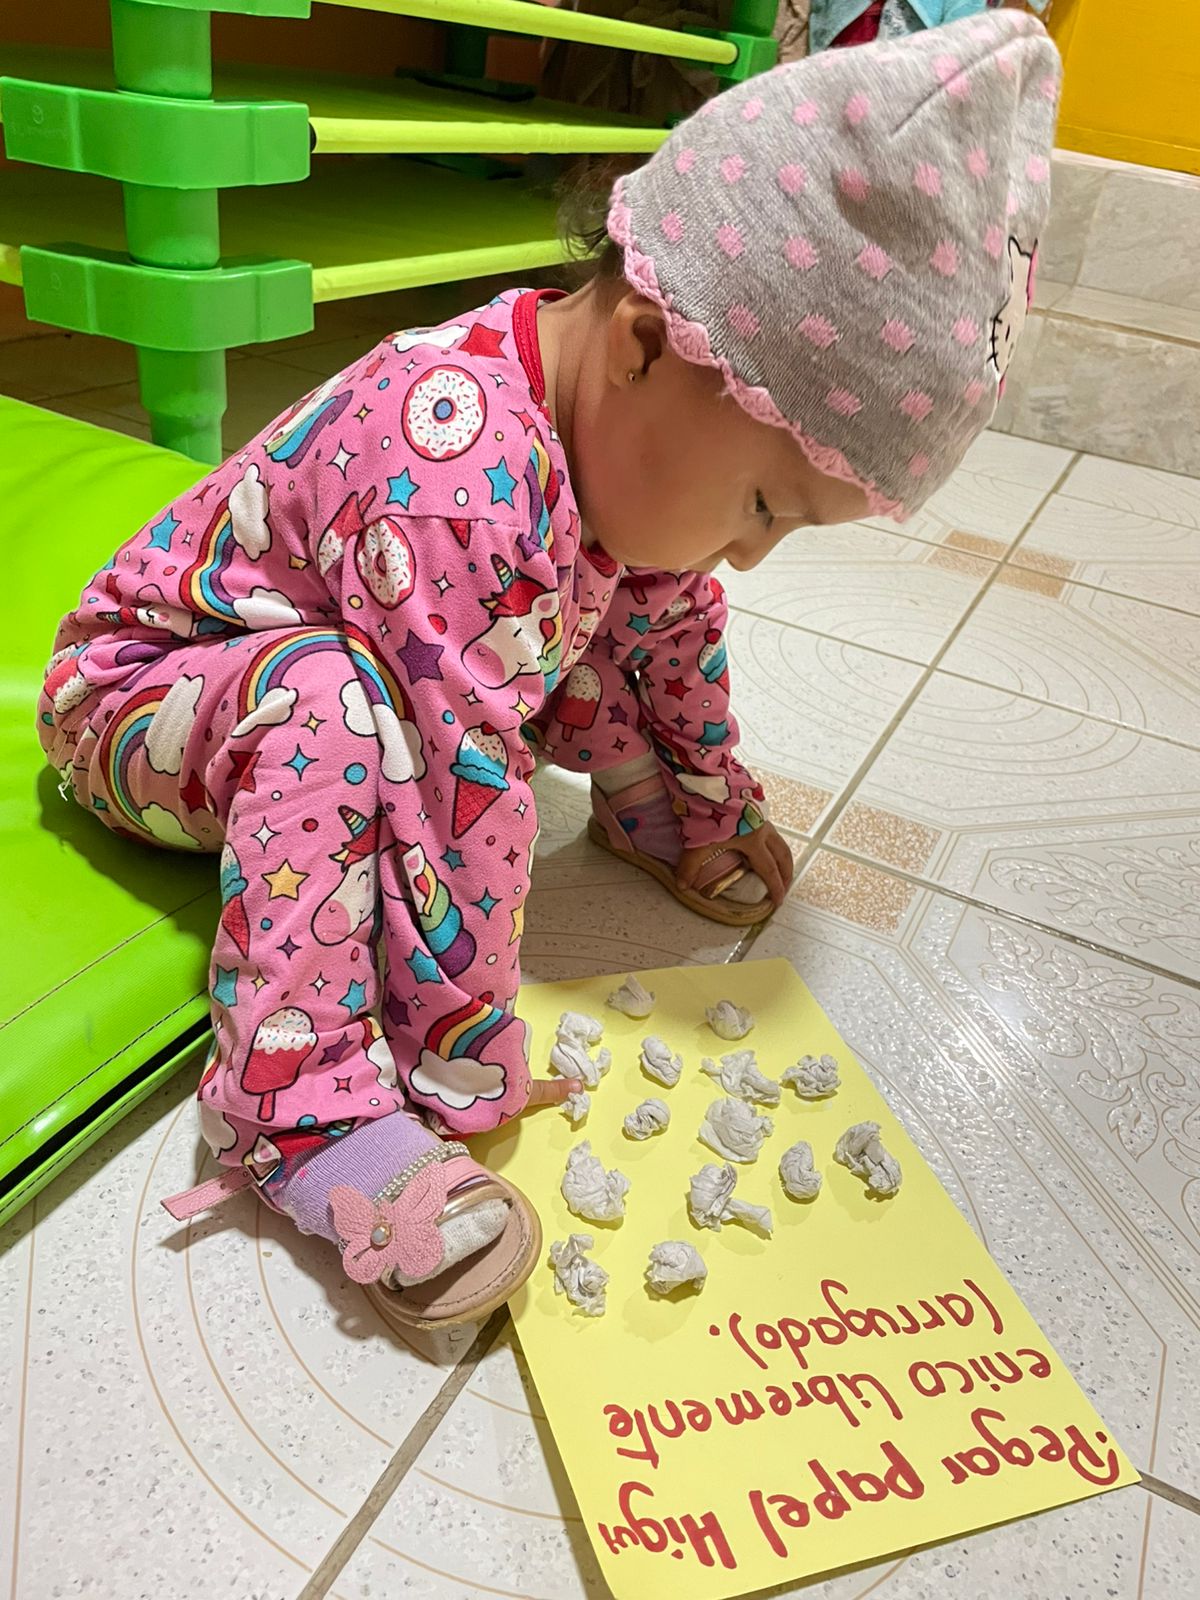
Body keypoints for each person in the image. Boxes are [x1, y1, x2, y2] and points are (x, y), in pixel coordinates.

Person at [36, 12, 1059, 1325]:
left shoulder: (612, 429)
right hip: (144, 697)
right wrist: (463, 1057)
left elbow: (673, 623)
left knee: (618, 590)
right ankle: (296, 1112)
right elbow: (454, 788)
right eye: (763, 504)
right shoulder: (454, 473)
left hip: (337, 673)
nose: (753, 554)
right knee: (339, 706)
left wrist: (697, 792)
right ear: (644, 344)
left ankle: (637, 809)